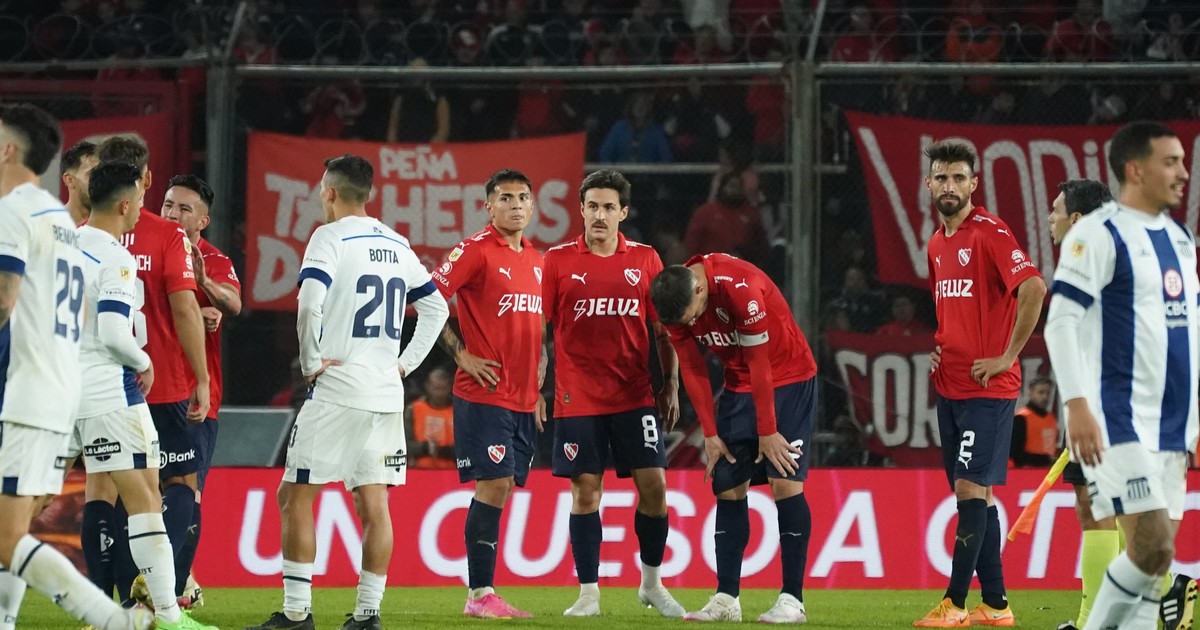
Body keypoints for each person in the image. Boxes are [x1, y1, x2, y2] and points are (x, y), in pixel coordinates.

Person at [248, 154, 448, 630]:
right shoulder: (397, 243)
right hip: (385, 394)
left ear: (330, 192)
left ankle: (296, 613)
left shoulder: (329, 237)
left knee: (294, 496)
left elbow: (308, 304)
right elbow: (437, 310)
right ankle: (367, 614)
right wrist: (402, 366)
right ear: (369, 194)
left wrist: (310, 364)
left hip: (339, 391)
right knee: (374, 504)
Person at [0, 102, 154, 630]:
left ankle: (113, 619)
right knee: (11, 528)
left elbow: (4, 299)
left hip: (26, 390)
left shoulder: (14, 212)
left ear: (8, 150)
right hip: (55, 387)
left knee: (8, 536)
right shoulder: (57, 221)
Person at [1045, 121, 1198, 630]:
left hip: (1174, 424)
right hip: (1119, 418)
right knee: (1150, 545)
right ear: (1135, 170)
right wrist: (1076, 404)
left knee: (1153, 561)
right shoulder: (1098, 234)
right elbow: (1061, 320)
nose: (1183, 172)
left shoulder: (1179, 239)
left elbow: (1189, 327)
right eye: (1170, 162)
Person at [70, 161, 216, 630]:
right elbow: (118, 332)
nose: (145, 211)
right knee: (149, 497)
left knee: (31, 500)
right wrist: (144, 362)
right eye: (141, 200)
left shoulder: (62, 243)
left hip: (56, 388)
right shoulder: (119, 255)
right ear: (126, 202)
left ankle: (93, 609)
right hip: (111, 389)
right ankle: (167, 615)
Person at [542, 169, 685, 618]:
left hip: (634, 395)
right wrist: (534, 385)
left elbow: (664, 331)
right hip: (577, 397)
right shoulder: (558, 261)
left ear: (623, 212)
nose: (599, 215)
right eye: (592, 206)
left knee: (655, 487)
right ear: (581, 210)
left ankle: (651, 584)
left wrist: (670, 382)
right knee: (586, 493)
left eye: (608, 207)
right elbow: (537, 330)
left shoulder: (645, 259)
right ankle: (589, 593)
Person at [916, 140, 1046, 627]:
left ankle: (954, 604)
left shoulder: (990, 232)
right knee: (977, 495)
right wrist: (940, 345)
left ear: (973, 183)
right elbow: (952, 311)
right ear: (929, 184)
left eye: (958, 178)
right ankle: (996, 605)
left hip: (989, 391)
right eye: (941, 177)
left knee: (970, 488)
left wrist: (1007, 356)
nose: (949, 186)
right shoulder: (936, 243)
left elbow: (1034, 287)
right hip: (949, 386)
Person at [649, 253, 818, 624]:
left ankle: (793, 601)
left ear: (699, 288)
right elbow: (691, 365)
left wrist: (767, 430)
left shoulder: (742, 287)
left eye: (692, 316)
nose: (691, 323)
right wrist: (710, 434)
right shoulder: (675, 300)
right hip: (738, 385)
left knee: (784, 481)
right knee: (726, 485)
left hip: (788, 378)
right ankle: (726, 599)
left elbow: (760, 362)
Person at [431, 169, 545, 619]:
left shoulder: (537, 259)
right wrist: (460, 355)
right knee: (494, 483)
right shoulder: (474, 251)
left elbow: (536, 324)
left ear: (532, 205)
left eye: (522, 197)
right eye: (505, 197)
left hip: (523, 398)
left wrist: (539, 373)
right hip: (484, 393)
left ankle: (483, 592)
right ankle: (480, 594)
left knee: (502, 488)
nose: (515, 205)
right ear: (489, 206)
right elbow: (427, 298)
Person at [161, 173, 242, 605]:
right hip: (144, 388)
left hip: (195, 395)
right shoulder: (147, 247)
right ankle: (154, 590)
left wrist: (205, 284)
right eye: (168, 204)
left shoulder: (214, 258)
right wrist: (196, 309)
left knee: (187, 493)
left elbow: (234, 303)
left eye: (184, 208)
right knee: (134, 494)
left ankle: (172, 592)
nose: (172, 213)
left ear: (203, 221)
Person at [1045, 179, 1123, 630]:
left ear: (1076, 218)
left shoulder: (1087, 260)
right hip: (1106, 401)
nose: (1050, 218)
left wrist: (1081, 404)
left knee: (1101, 508)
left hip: (1103, 405)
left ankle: (1098, 619)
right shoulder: (1117, 253)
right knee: (1102, 507)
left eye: (1056, 210)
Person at [406, 367, 456, 469]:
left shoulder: (459, 411)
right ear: (427, 387)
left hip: (452, 471)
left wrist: (444, 451)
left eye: (443, 389)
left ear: (450, 387)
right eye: (436, 388)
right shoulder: (413, 409)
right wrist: (425, 448)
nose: (439, 394)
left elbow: (468, 447)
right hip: (418, 471)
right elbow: (403, 444)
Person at [1011, 377, 1057, 468]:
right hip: (1028, 470)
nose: (1045, 397)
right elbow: (1015, 453)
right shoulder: (1021, 418)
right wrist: (1045, 459)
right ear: (1031, 392)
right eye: (1041, 392)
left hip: (1050, 469)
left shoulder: (1051, 418)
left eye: (1048, 393)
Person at [61, 140, 98, 226]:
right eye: (93, 174)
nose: (100, 181)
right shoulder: (49, 224)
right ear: (69, 180)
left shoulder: (116, 227)